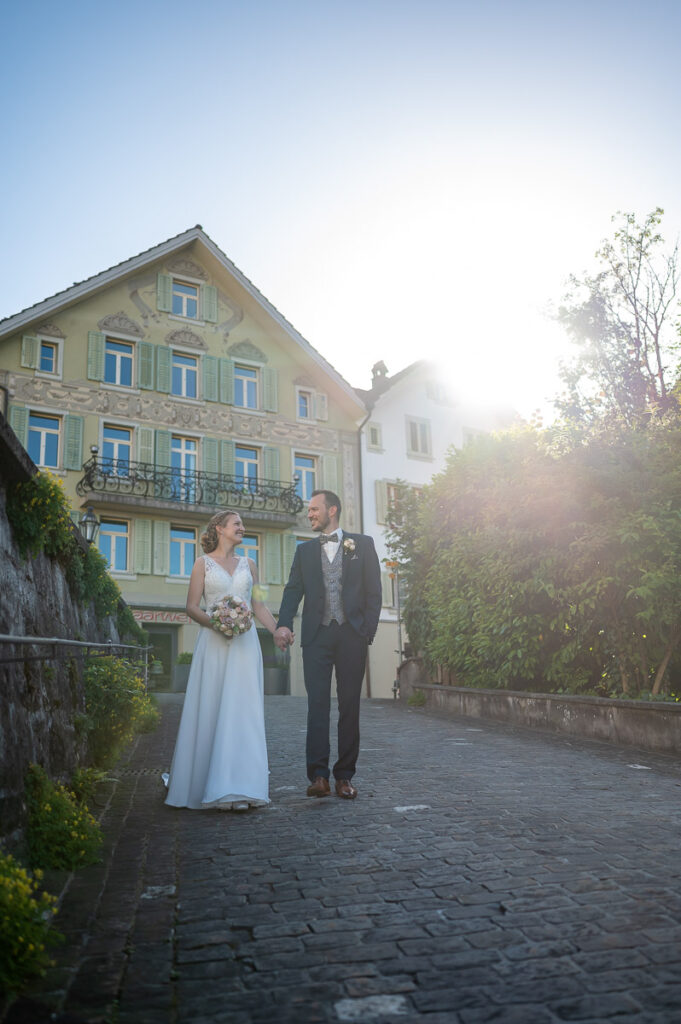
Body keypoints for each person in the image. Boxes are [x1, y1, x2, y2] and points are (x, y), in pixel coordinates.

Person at [164, 509, 279, 811]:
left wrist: (277, 630)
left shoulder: (251, 564)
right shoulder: (200, 565)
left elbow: (259, 603)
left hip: (245, 645)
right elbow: (191, 607)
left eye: (242, 524)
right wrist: (219, 624)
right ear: (219, 528)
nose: (243, 527)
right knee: (212, 707)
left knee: (244, 712)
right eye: (237, 524)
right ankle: (212, 785)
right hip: (213, 643)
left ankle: (242, 786)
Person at [274, 490, 381, 800]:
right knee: (316, 706)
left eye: (314, 509)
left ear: (332, 510)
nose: (310, 514)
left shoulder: (362, 544)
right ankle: (318, 776)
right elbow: (292, 590)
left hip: (352, 634)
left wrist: (367, 631)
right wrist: (284, 623)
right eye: (309, 510)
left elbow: (374, 591)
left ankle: (344, 777)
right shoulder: (304, 551)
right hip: (316, 636)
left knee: (350, 706)